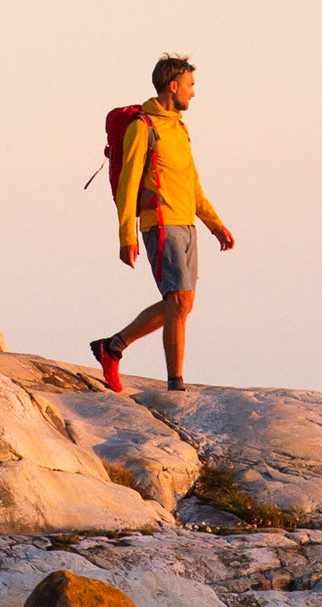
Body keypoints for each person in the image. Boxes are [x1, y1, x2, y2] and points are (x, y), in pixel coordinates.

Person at [91, 55, 236, 391]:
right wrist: (126, 235)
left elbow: (192, 183)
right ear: (173, 86)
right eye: (190, 85)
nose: (193, 93)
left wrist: (214, 224)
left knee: (182, 304)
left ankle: (112, 346)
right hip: (161, 222)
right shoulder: (144, 126)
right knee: (178, 302)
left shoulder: (179, 129)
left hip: (187, 223)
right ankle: (176, 385)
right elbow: (127, 184)